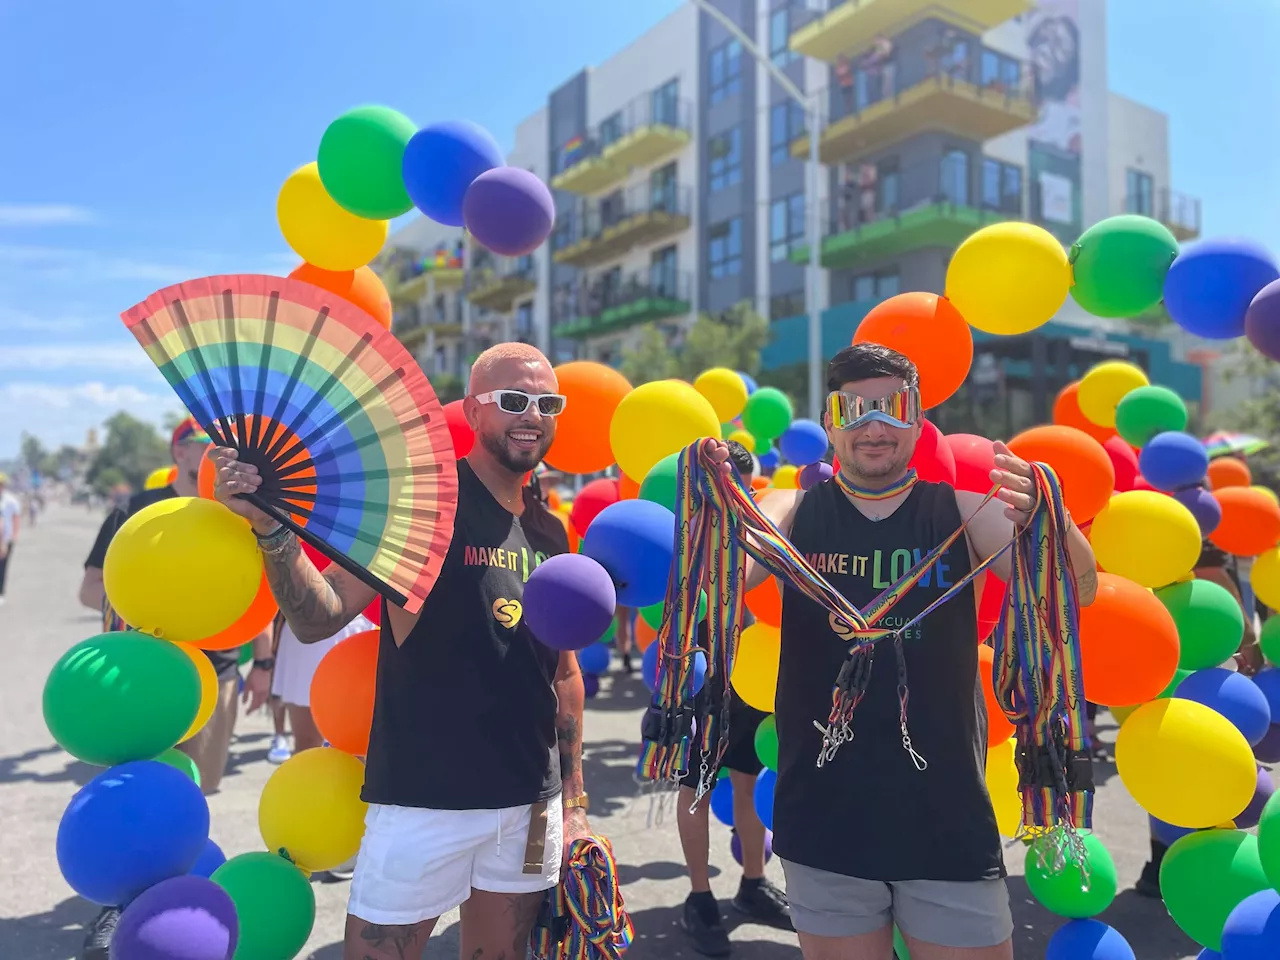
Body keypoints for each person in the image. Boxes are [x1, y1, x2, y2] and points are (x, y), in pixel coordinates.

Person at [210, 342, 591, 960]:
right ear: (473, 411)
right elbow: (320, 616)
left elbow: (565, 674)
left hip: (531, 800)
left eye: (548, 402)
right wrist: (270, 529)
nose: (533, 414)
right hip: (424, 799)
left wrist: (571, 800)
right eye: (515, 400)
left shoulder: (552, 529)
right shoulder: (424, 508)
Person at [740, 344, 1098, 960]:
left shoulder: (963, 513)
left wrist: (1050, 517)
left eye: (892, 408)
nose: (873, 426)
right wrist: (717, 500)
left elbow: (1078, 589)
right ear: (830, 421)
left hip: (946, 819)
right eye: (853, 409)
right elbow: (722, 573)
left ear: (918, 419)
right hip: (825, 817)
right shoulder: (790, 513)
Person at [77, 417, 274, 960]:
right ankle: (120, 909)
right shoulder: (140, 508)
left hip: (217, 676)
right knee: (142, 799)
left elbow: (254, 592)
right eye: (200, 443)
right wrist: (145, 609)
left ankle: (170, 918)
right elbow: (92, 585)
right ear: (179, 451)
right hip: (146, 678)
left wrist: (265, 660)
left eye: (220, 445)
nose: (211, 451)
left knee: (191, 797)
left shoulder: (245, 513)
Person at [678, 441, 788, 956]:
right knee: (697, 785)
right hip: (700, 679)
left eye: (745, 488)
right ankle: (700, 898)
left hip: (753, 672)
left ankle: (751, 883)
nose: (738, 494)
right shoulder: (688, 533)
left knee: (748, 779)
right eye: (728, 485)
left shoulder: (759, 531)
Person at [1134, 536, 1262, 899]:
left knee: (1166, 757)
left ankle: (1163, 863)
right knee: (1200, 755)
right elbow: (1211, 575)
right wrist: (1249, 639)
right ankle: (1202, 867)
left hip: (1156, 649)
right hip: (1196, 650)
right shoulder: (1194, 520)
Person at [0, 472, 20, 606]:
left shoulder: (10, 501)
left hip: (5, 540)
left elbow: (16, 519)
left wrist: (13, 536)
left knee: (2, 567)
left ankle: (1, 593)